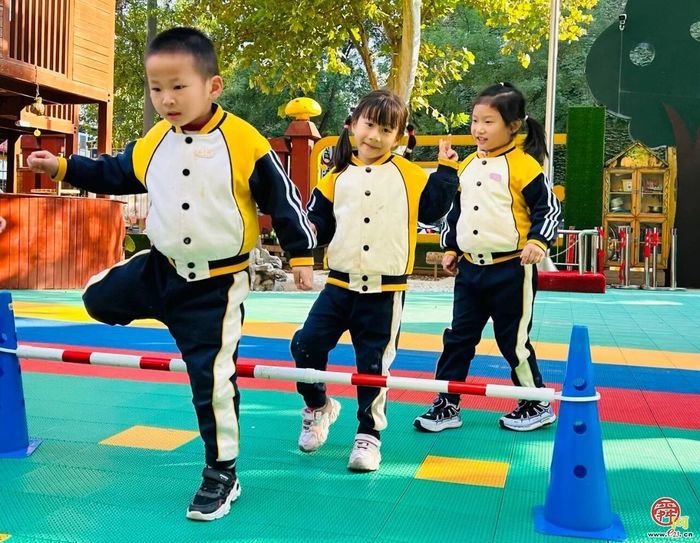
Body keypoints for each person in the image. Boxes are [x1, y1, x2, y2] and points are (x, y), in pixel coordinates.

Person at [27, 27, 316, 521]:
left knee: (212, 380)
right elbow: (115, 172)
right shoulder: (155, 140)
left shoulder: (243, 141)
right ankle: (160, 305)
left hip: (215, 288)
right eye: (156, 88)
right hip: (161, 270)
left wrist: (302, 255)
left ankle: (222, 472)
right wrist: (61, 167)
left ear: (213, 86)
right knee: (97, 300)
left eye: (179, 86)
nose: (166, 99)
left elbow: (283, 199)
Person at [291, 90, 459, 472]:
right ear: (353, 125)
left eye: (386, 130)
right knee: (306, 345)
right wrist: (302, 248)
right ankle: (318, 406)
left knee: (373, 365)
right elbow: (317, 224)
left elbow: (433, 210)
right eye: (369, 125)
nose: (374, 136)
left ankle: (368, 435)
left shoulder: (409, 174)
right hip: (339, 286)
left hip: (385, 291)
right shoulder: (335, 178)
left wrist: (447, 171)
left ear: (399, 137)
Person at [413, 82, 561, 433]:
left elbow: (548, 209)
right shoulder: (467, 165)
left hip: (512, 270)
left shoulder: (524, 166)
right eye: (475, 120)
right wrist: (451, 247)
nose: (478, 129)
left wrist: (538, 241)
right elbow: (456, 212)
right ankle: (446, 402)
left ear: (513, 125)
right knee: (458, 338)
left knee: (513, 340)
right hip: (470, 272)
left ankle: (535, 402)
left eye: (488, 122)